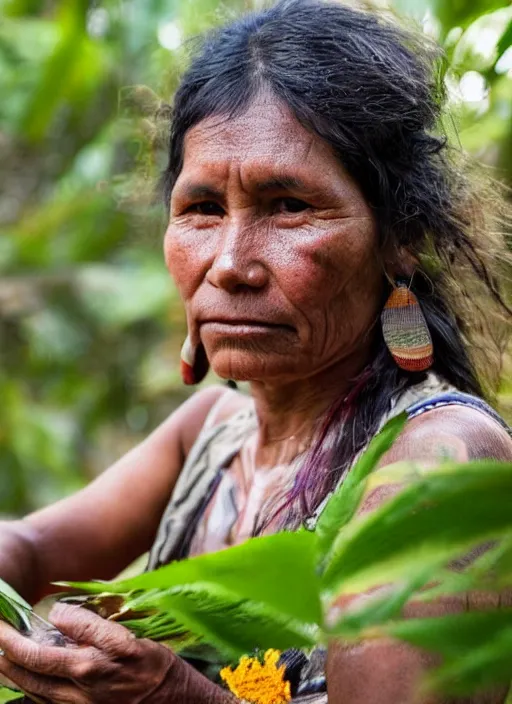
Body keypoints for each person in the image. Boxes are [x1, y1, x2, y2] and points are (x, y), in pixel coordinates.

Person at [0, 0, 511, 702]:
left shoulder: (436, 465)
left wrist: (173, 696)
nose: (230, 264)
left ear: (401, 238)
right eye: (203, 210)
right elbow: (29, 551)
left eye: (289, 206)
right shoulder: (208, 435)